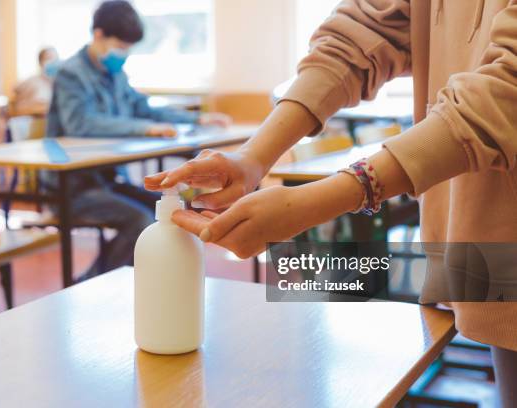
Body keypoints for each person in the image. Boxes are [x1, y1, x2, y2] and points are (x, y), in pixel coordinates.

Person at [146, 0, 517, 405]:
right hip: (490, 256)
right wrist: (252, 157)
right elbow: (361, 32)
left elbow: (505, 92)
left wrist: (324, 199)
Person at [45, 0, 230, 282]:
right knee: (141, 221)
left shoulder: (115, 74)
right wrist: (147, 129)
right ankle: (89, 286)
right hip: (72, 187)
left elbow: (144, 107)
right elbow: (82, 123)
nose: (124, 53)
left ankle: (151, 283)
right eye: (120, 45)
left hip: (106, 180)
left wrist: (194, 119)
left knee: (172, 210)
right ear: (98, 34)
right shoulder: (71, 74)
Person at [13, 47, 60, 114]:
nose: (53, 62)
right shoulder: (32, 82)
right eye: (49, 58)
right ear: (40, 62)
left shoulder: (62, 82)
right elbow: (18, 105)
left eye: (56, 59)